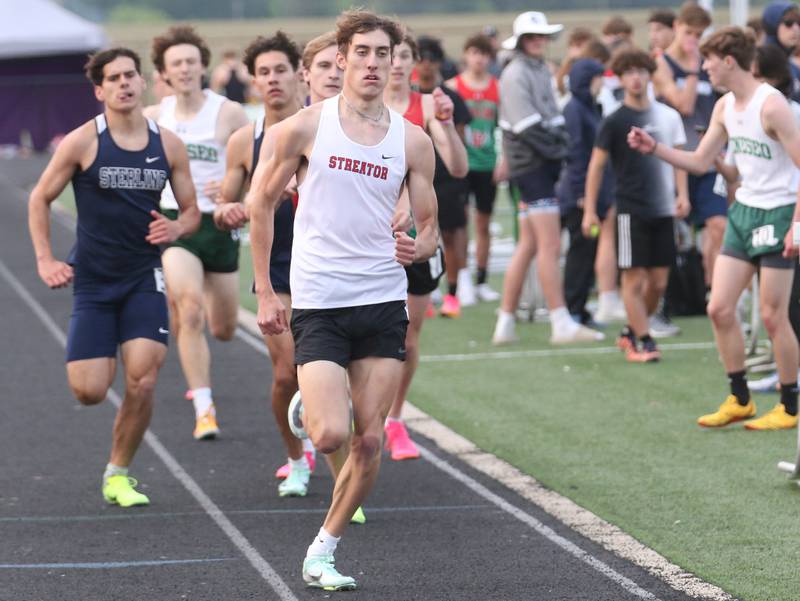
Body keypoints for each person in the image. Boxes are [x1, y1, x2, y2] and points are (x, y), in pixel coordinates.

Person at [247, 10, 439, 589]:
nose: (374, 63)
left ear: (395, 61)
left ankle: (322, 550)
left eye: (385, 54)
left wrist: (417, 247)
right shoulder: (304, 128)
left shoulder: (413, 141)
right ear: (342, 59)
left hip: (382, 299)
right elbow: (259, 205)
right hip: (321, 300)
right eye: (363, 53)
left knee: (370, 437)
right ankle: (310, 405)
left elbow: (429, 225)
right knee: (329, 435)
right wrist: (265, 288)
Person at [28, 48, 200, 507]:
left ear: (142, 83)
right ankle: (116, 460)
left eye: (131, 75)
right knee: (89, 391)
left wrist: (177, 227)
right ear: (99, 90)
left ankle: (118, 473)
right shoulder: (83, 141)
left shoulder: (167, 144)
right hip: (94, 282)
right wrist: (46, 260)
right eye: (114, 78)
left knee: (143, 379)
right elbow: (39, 199)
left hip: (144, 276)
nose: (124, 83)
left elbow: (191, 212)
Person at [627, 27, 800, 429]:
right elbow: (701, 162)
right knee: (718, 308)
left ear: (728, 61)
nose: (703, 67)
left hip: (778, 215)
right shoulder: (724, 107)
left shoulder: (772, 106)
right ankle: (740, 399)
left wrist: (797, 225)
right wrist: (655, 149)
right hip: (744, 212)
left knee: (774, 316)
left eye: (708, 60)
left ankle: (789, 406)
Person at [216, 32, 309, 497]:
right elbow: (223, 204)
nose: (272, 80)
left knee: (335, 371)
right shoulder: (244, 141)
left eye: (280, 70)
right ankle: (296, 459)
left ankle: (343, 459)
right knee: (285, 372)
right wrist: (227, 211)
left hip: (328, 264)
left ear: (300, 73)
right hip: (275, 268)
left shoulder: (325, 127)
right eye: (263, 73)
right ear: (253, 82)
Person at [145, 26, 249, 440]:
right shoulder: (155, 118)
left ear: (203, 65)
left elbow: (255, 168)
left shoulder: (230, 113)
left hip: (220, 225)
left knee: (222, 328)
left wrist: (230, 186)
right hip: (175, 221)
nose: (185, 69)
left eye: (191, 61)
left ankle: (194, 320)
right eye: (176, 64)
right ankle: (205, 408)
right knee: (189, 310)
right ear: (164, 73)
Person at [492, 11, 603, 345]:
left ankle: (506, 322)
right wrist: (561, 150)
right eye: (532, 37)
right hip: (531, 167)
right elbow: (528, 127)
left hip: (538, 165)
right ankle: (560, 321)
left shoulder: (537, 69)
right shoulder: (516, 73)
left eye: (542, 36)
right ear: (522, 40)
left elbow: (550, 120)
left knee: (528, 245)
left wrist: (558, 145)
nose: (539, 41)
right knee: (550, 245)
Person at [383, 32, 466, 460]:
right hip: (370, 237)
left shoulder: (429, 105)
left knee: (410, 336)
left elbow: (457, 165)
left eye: (403, 56)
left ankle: (395, 419)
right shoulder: (364, 108)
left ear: (415, 61)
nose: (395, 64)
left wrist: (447, 124)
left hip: (418, 236)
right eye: (388, 55)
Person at [583, 48, 689, 363]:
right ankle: (643, 340)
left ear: (650, 74)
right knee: (633, 278)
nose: (636, 78)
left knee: (659, 282)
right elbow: (596, 167)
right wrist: (590, 208)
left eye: (641, 71)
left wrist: (682, 194)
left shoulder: (667, 116)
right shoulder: (614, 121)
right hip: (630, 210)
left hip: (663, 210)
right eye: (628, 72)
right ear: (620, 77)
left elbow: (680, 159)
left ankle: (632, 329)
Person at [556, 58, 623, 327]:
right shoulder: (574, 109)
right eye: (598, 78)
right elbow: (576, 154)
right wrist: (583, 195)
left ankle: (580, 308)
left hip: (595, 196)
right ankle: (572, 308)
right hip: (581, 198)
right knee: (579, 252)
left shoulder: (591, 108)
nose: (602, 83)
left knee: (588, 251)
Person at [416, 35, 473, 315]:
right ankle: (424, 292)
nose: (426, 65)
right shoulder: (410, 98)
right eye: (421, 58)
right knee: (417, 235)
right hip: (416, 178)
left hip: (447, 178)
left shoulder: (450, 98)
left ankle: (453, 293)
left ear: (439, 63)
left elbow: (459, 141)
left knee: (450, 235)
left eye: (431, 59)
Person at [446, 33, 503, 303]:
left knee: (483, 223)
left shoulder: (497, 88)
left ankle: (481, 279)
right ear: (466, 55)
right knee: (458, 224)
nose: (479, 59)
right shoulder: (452, 87)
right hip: (460, 165)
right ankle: (461, 278)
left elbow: (505, 127)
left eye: (484, 54)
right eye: (474, 53)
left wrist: (503, 159)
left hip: (487, 163)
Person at [762, 1, 800, 100]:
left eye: (799, 22)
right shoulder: (762, 64)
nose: (796, 28)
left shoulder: (792, 67)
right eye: (789, 23)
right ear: (772, 25)